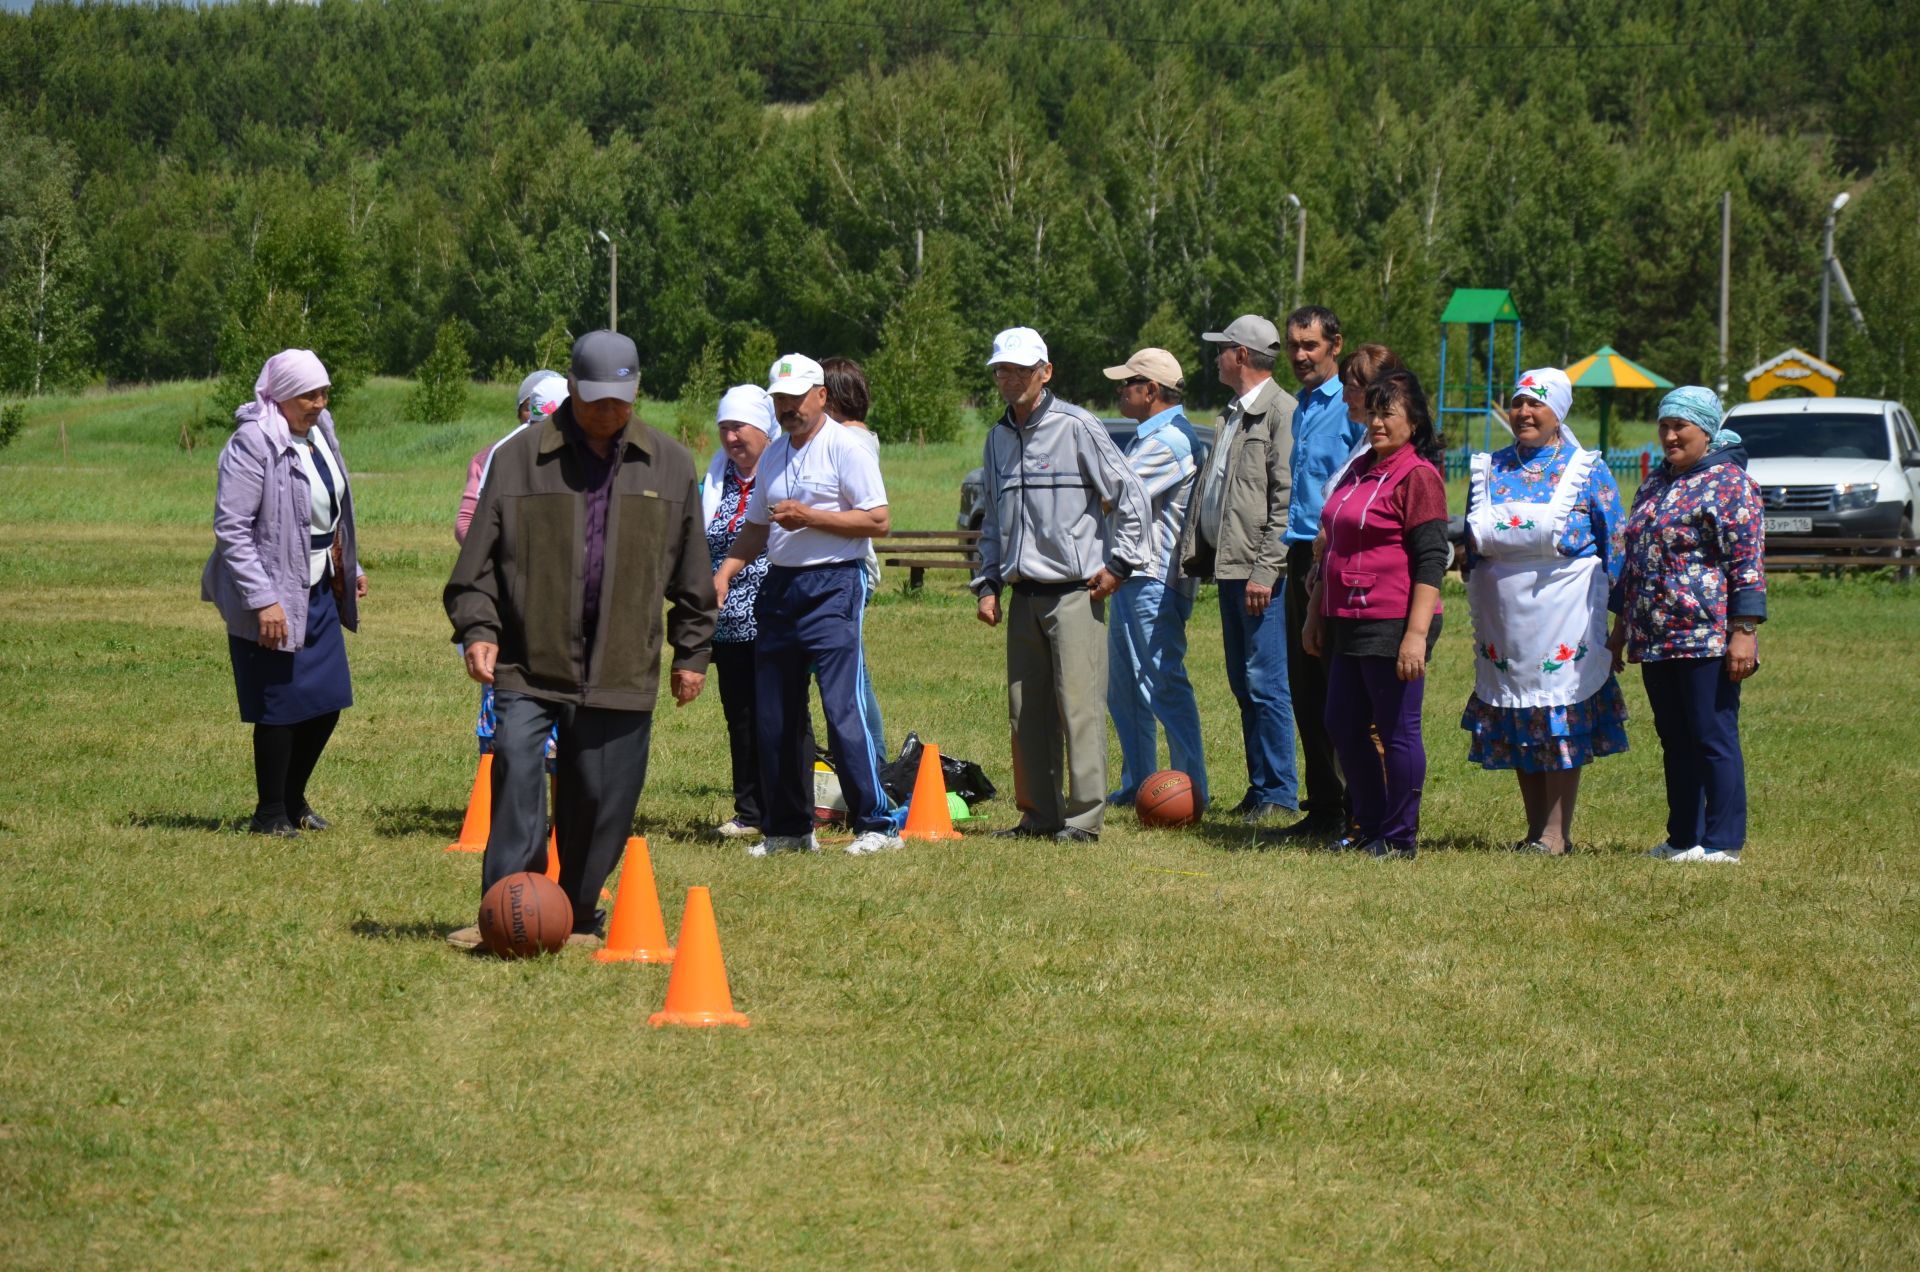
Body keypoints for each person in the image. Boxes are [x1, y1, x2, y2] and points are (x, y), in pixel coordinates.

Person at [444, 331, 714, 949]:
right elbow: (476, 565)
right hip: (530, 662)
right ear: (571, 388)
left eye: (620, 401)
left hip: (623, 665)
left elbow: (692, 570)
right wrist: (480, 629)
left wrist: (692, 651)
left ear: (636, 392)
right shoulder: (517, 461)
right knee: (515, 770)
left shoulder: (669, 464)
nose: (607, 412)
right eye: (595, 400)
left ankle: (579, 910)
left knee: (600, 802)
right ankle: (508, 910)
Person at [971, 327, 1150, 842]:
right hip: (1022, 594)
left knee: (1079, 710)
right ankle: (1038, 816)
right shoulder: (997, 437)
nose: (1010, 380)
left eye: (1021, 371)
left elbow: (1131, 492)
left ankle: (1083, 820)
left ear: (1045, 372)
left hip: (1076, 593)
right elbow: (991, 522)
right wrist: (986, 583)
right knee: (1025, 714)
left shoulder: (1078, 426)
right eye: (1002, 370)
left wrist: (1119, 564)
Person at [715, 353, 898, 857]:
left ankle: (877, 824)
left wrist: (811, 517)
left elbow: (878, 520)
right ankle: (789, 829)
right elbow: (756, 525)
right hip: (779, 586)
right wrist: (726, 573)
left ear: (821, 396)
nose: (788, 409)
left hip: (835, 584)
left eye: (796, 399)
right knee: (775, 714)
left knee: (843, 710)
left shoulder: (847, 447)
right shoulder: (774, 454)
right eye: (780, 401)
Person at [1458, 368, 1630, 855]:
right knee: (1519, 716)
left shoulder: (1586, 469)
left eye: (1536, 404)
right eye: (1517, 403)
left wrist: (1621, 620)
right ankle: (1535, 829)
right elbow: (1472, 547)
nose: (1524, 413)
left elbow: (1616, 543)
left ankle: (1557, 832)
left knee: (1559, 717)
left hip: (1566, 613)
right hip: (1505, 619)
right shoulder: (1488, 468)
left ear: (1559, 412)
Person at [203, 349, 367, 838]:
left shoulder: (320, 430)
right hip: (273, 592)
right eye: (308, 395)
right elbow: (232, 529)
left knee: (328, 700)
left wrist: (348, 565)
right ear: (280, 396)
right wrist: (263, 600)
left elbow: (334, 507)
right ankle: (269, 813)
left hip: (316, 584)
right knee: (279, 704)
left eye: (323, 393)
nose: (319, 403)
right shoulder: (252, 442)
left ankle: (293, 800)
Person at [1610, 386, 1765, 865]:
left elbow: (1747, 561)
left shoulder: (1730, 483)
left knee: (1711, 734)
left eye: (1681, 427)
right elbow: (1633, 560)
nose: (1670, 436)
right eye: (1664, 426)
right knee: (1674, 737)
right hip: (1656, 634)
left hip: (1706, 633)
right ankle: (1683, 838)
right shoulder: (1658, 481)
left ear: (1707, 430)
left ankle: (1722, 841)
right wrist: (1620, 629)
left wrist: (1744, 630)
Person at [1302, 370, 1448, 860]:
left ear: (1415, 420)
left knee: (1396, 728)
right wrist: (1315, 614)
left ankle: (1399, 836)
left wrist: (1416, 635)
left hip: (1395, 618)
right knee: (1342, 722)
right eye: (1374, 411)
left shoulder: (1418, 476)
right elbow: (1333, 545)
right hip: (1346, 614)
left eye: (1389, 413)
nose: (1378, 422)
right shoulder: (1362, 467)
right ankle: (1369, 824)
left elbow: (1431, 559)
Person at [1179, 314, 1300, 823]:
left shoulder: (1280, 413)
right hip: (1230, 570)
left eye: (1223, 348)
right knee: (1242, 681)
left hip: (1257, 577)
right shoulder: (1232, 412)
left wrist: (1266, 571)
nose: (1216, 357)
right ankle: (1260, 787)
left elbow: (1285, 499)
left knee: (1266, 682)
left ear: (1243, 356)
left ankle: (1279, 792)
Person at [700, 383, 813, 839]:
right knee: (741, 714)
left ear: (764, 429)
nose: (730, 438)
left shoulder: (781, 469)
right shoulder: (713, 478)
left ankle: (791, 810)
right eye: (724, 428)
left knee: (784, 712)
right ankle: (749, 810)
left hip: (776, 609)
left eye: (739, 427)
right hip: (727, 620)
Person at [1098, 346, 1207, 809]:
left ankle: (1189, 788)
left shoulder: (1170, 441)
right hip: (1133, 578)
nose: (1121, 390)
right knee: (1123, 690)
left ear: (1151, 390)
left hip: (1155, 581)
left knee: (1162, 683)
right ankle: (1139, 783)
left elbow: (1116, 493)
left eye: (1128, 383)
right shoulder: (1152, 436)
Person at [1272, 305, 1363, 841]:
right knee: (1305, 689)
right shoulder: (1301, 406)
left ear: (1335, 344)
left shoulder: (1350, 407)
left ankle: (1359, 808)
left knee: (1341, 689)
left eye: (1310, 345)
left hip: (1339, 554)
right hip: (1300, 555)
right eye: (1293, 346)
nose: (1301, 356)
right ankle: (1324, 806)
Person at [455, 371, 567, 769]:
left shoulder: (584, 458)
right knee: (507, 694)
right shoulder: (503, 457)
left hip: (561, 604)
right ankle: (501, 789)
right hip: (510, 599)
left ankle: (560, 809)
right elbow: (470, 526)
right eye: (534, 425)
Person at [821, 355, 889, 758]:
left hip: (850, 570)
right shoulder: (850, 437)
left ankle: (873, 762)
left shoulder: (851, 440)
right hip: (842, 568)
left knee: (850, 678)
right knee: (846, 675)